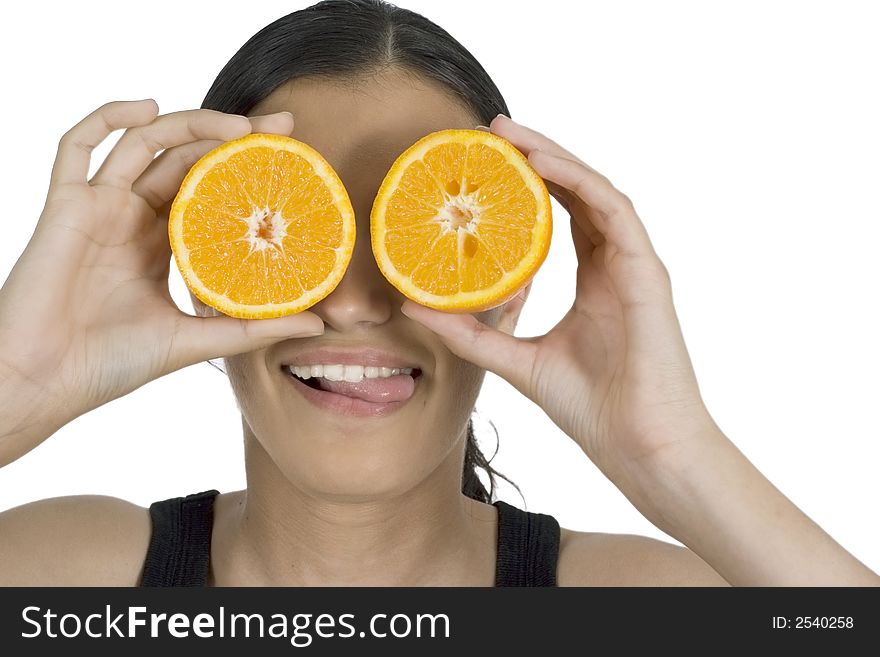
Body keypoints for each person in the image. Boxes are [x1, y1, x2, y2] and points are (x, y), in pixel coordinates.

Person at [0, 0, 876, 587]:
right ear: (209, 264)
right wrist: (16, 390)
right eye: (296, 233)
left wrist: (672, 456)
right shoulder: (67, 574)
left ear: (509, 279)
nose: (353, 303)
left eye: (415, 238)